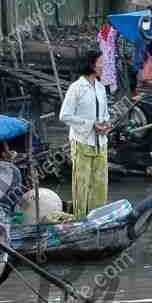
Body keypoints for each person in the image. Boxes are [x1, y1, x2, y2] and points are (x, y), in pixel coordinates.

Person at [59, 49, 112, 218]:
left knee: (100, 185)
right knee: (81, 185)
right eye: (101, 62)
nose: (104, 66)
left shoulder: (101, 87)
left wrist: (106, 123)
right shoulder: (76, 88)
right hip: (82, 141)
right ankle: (80, 219)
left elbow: (104, 113)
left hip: (101, 143)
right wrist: (90, 124)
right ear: (91, 64)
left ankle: (97, 218)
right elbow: (64, 115)